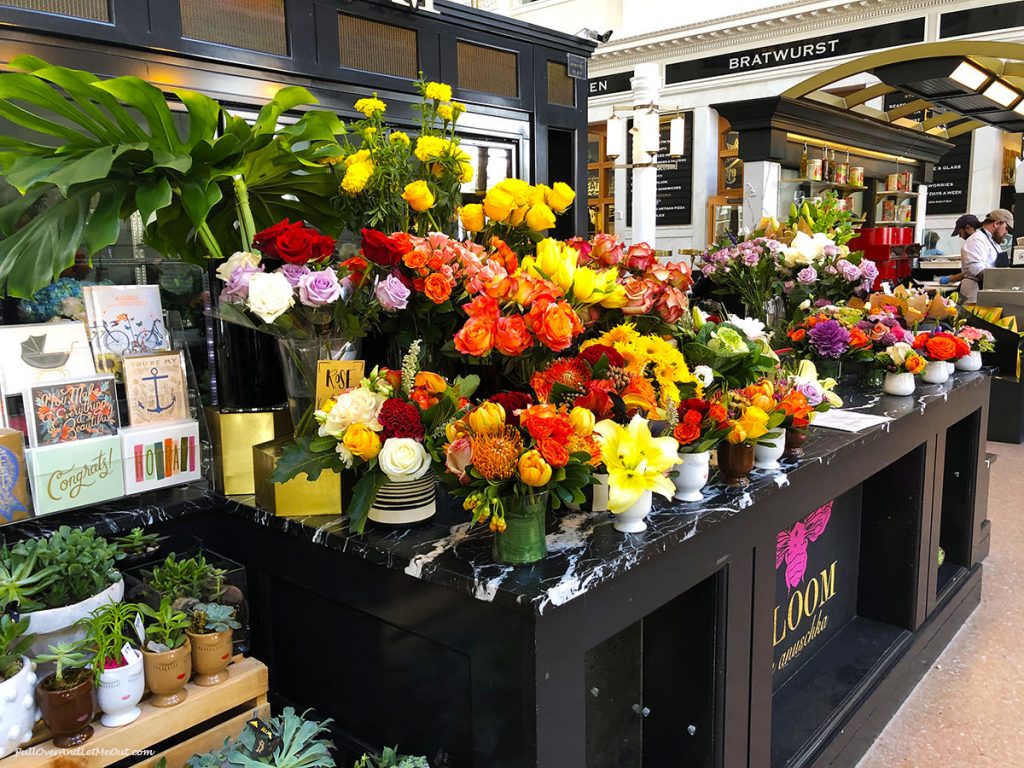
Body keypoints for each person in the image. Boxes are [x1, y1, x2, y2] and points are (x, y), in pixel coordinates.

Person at [939, 210, 1012, 302]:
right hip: (975, 294)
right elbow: (976, 268)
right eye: (1006, 228)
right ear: (997, 223)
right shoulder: (977, 240)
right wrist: (1002, 280)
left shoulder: (992, 241)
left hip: (985, 292)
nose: (1006, 232)